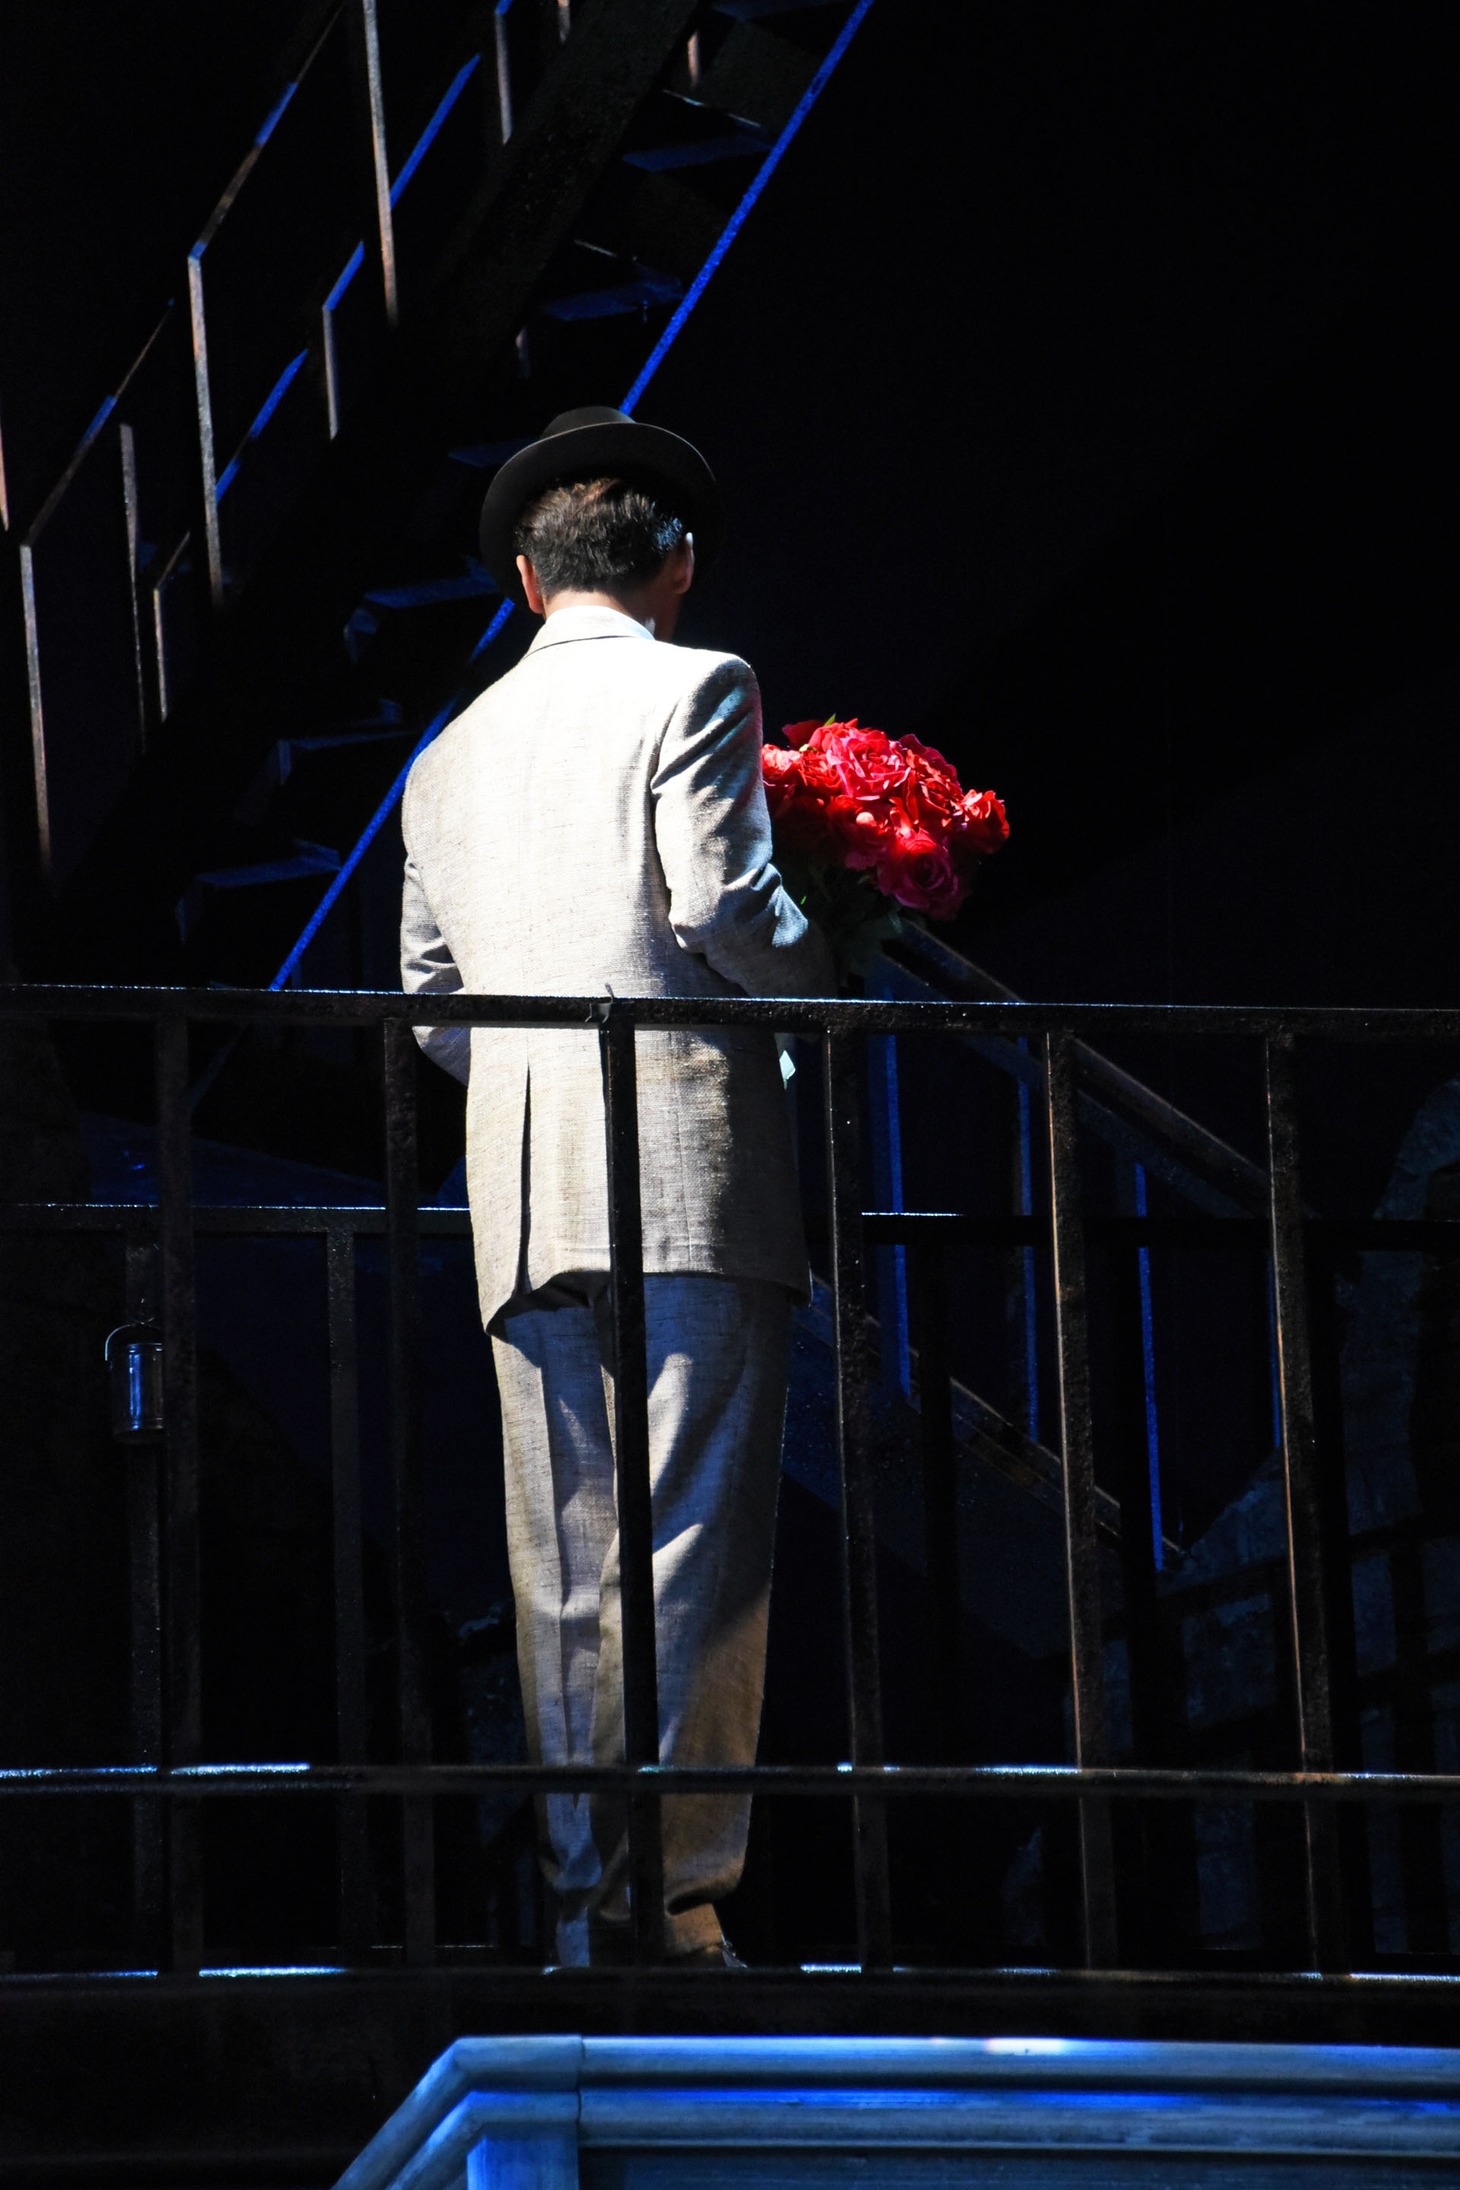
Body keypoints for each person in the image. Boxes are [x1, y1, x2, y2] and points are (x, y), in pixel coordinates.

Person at [399, 406, 833, 1967]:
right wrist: (832, 959)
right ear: (677, 567)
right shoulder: (696, 685)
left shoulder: (444, 761)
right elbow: (724, 903)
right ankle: (681, 1902)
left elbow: (432, 1002)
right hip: (689, 1165)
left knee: (561, 1558)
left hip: (522, 1194)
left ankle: (585, 1901)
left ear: (526, 581)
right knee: (694, 1537)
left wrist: (534, 1089)